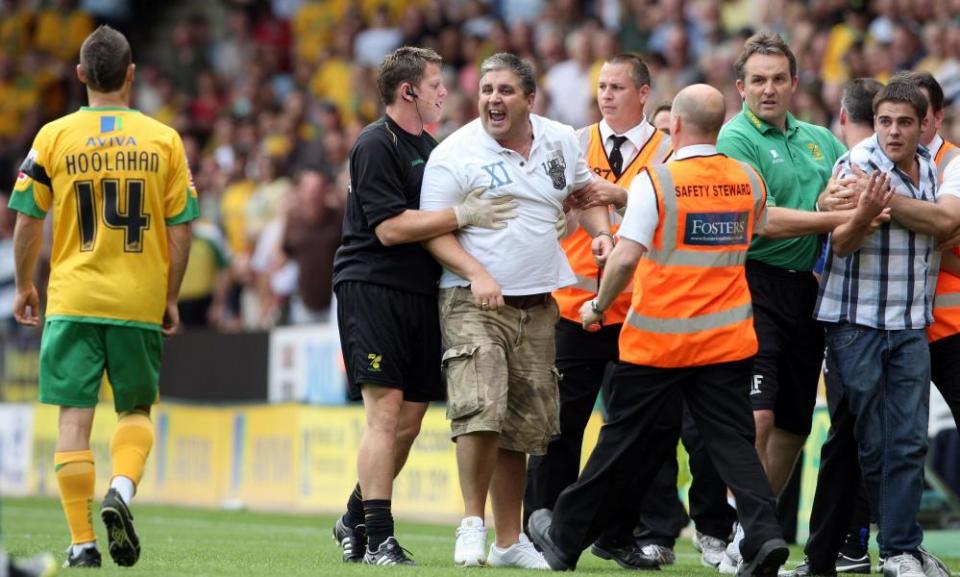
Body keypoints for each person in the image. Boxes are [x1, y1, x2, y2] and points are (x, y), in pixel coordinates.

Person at [526, 83, 864, 576]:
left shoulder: (657, 182)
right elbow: (766, 223)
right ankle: (764, 536)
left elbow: (625, 256)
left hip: (660, 339)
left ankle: (563, 537)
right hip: (726, 341)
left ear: (676, 126)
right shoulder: (746, 178)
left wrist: (599, 304)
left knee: (618, 441)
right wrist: (835, 217)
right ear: (720, 126)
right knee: (733, 443)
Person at [9, 25, 199, 568]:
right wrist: (170, 295)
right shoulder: (164, 140)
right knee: (135, 408)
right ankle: (122, 488)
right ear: (131, 74)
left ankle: (82, 544)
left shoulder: (53, 137)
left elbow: (25, 219)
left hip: (72, 298)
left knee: (74, 418)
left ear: (80, 76)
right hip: (137, 300)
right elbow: (180, 228)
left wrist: (26, 284)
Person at [419, 52, 614, 569]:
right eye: (486, 90)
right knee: (480, 409)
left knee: (522, 426)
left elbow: (586, 193)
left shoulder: (560, 139)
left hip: (539, 303)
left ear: (530, 98)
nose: (493, 100)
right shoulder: (453, 152)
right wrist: (477, 272)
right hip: (470, 299)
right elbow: (433, 229)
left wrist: (600, 234)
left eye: (505, 91)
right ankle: (470, 523)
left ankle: (509, 541)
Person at [330, 46, 518, 567]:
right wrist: (462, 213)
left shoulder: (434, 147)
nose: (444, 92)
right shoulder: (375, 144)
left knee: (410, 422)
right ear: (409, 90)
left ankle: (353, 515)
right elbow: (389, 229)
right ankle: (380, 538)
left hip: (422, 292)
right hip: (372, 286)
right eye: (436, 83)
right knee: (385, 413)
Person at [523, 52, 674, 570]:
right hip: (573, 308)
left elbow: (673, 215)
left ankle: (617, 532)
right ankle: (537, 525)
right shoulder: (570, 143)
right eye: (602, 86)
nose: (606, 95)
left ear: (643, 93)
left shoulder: (668, 150)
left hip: (641, 310)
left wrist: (622, 195)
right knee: (558, 425)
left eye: (617, 86)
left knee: (639, 430)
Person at [814, 78, 960, 577]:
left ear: (924, 126)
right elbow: (841, 243)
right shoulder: (856, 165)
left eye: (903, 122)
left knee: (909, 440)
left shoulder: (931, 171)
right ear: (873, 122)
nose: (892, 131)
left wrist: (887, 205)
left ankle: (899, 549)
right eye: (884, 121)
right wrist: (862, 215)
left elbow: (943, 223)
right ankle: (846, 549)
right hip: (856, 323)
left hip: (911, 325)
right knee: (870, 439)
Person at [716, 32, 848, 570]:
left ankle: (752, 527)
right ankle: (737, 531)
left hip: (807, 289)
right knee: (760, 413)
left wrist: (835, 206)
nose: (768, 89)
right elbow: (759, 218)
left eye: (778, 79)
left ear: (794, 83)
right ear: (740, 87)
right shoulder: (735, 139)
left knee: (794, 423)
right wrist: (829, 214)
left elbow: (852, 184)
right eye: (757, 80)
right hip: (752, 281)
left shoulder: (821, 138)